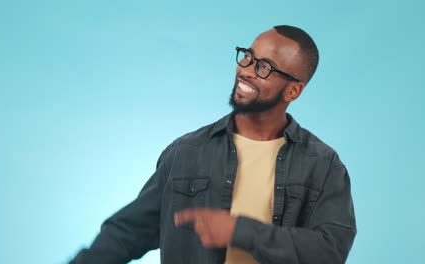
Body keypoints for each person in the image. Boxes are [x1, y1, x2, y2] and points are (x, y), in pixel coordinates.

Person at [69, 25, 357, 264]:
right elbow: (127, 233)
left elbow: (330, 250)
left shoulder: (322, 165)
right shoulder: (185, 153)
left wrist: (240, 230)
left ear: (293, 90)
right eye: (248, 57)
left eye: (265, 67)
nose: (246, 70)